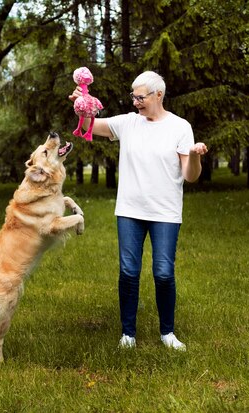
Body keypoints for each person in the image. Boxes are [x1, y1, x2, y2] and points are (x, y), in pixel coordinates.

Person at [69, 71, 208, 350]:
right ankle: (128, 334)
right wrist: (82, 104)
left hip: (165, 213)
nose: (135, 102)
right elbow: (89, 127)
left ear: (159, 95)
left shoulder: (180, 127)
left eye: (140, 97)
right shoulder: (127, 123)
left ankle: (167, 333)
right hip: (130, 211)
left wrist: (193, 155)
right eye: (133, 96)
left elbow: (190, 176)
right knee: (129, 272)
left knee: (164, 273)